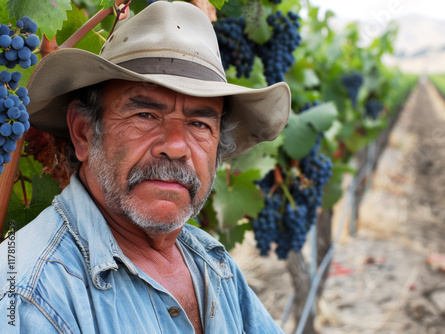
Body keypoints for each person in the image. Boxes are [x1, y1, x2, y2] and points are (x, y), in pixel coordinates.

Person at [0, 1, 290, 333]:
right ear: (83, 132)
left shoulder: (213, 264)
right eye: (146, 115)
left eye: (199, 124)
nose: (177, 147)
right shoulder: (29, 298)